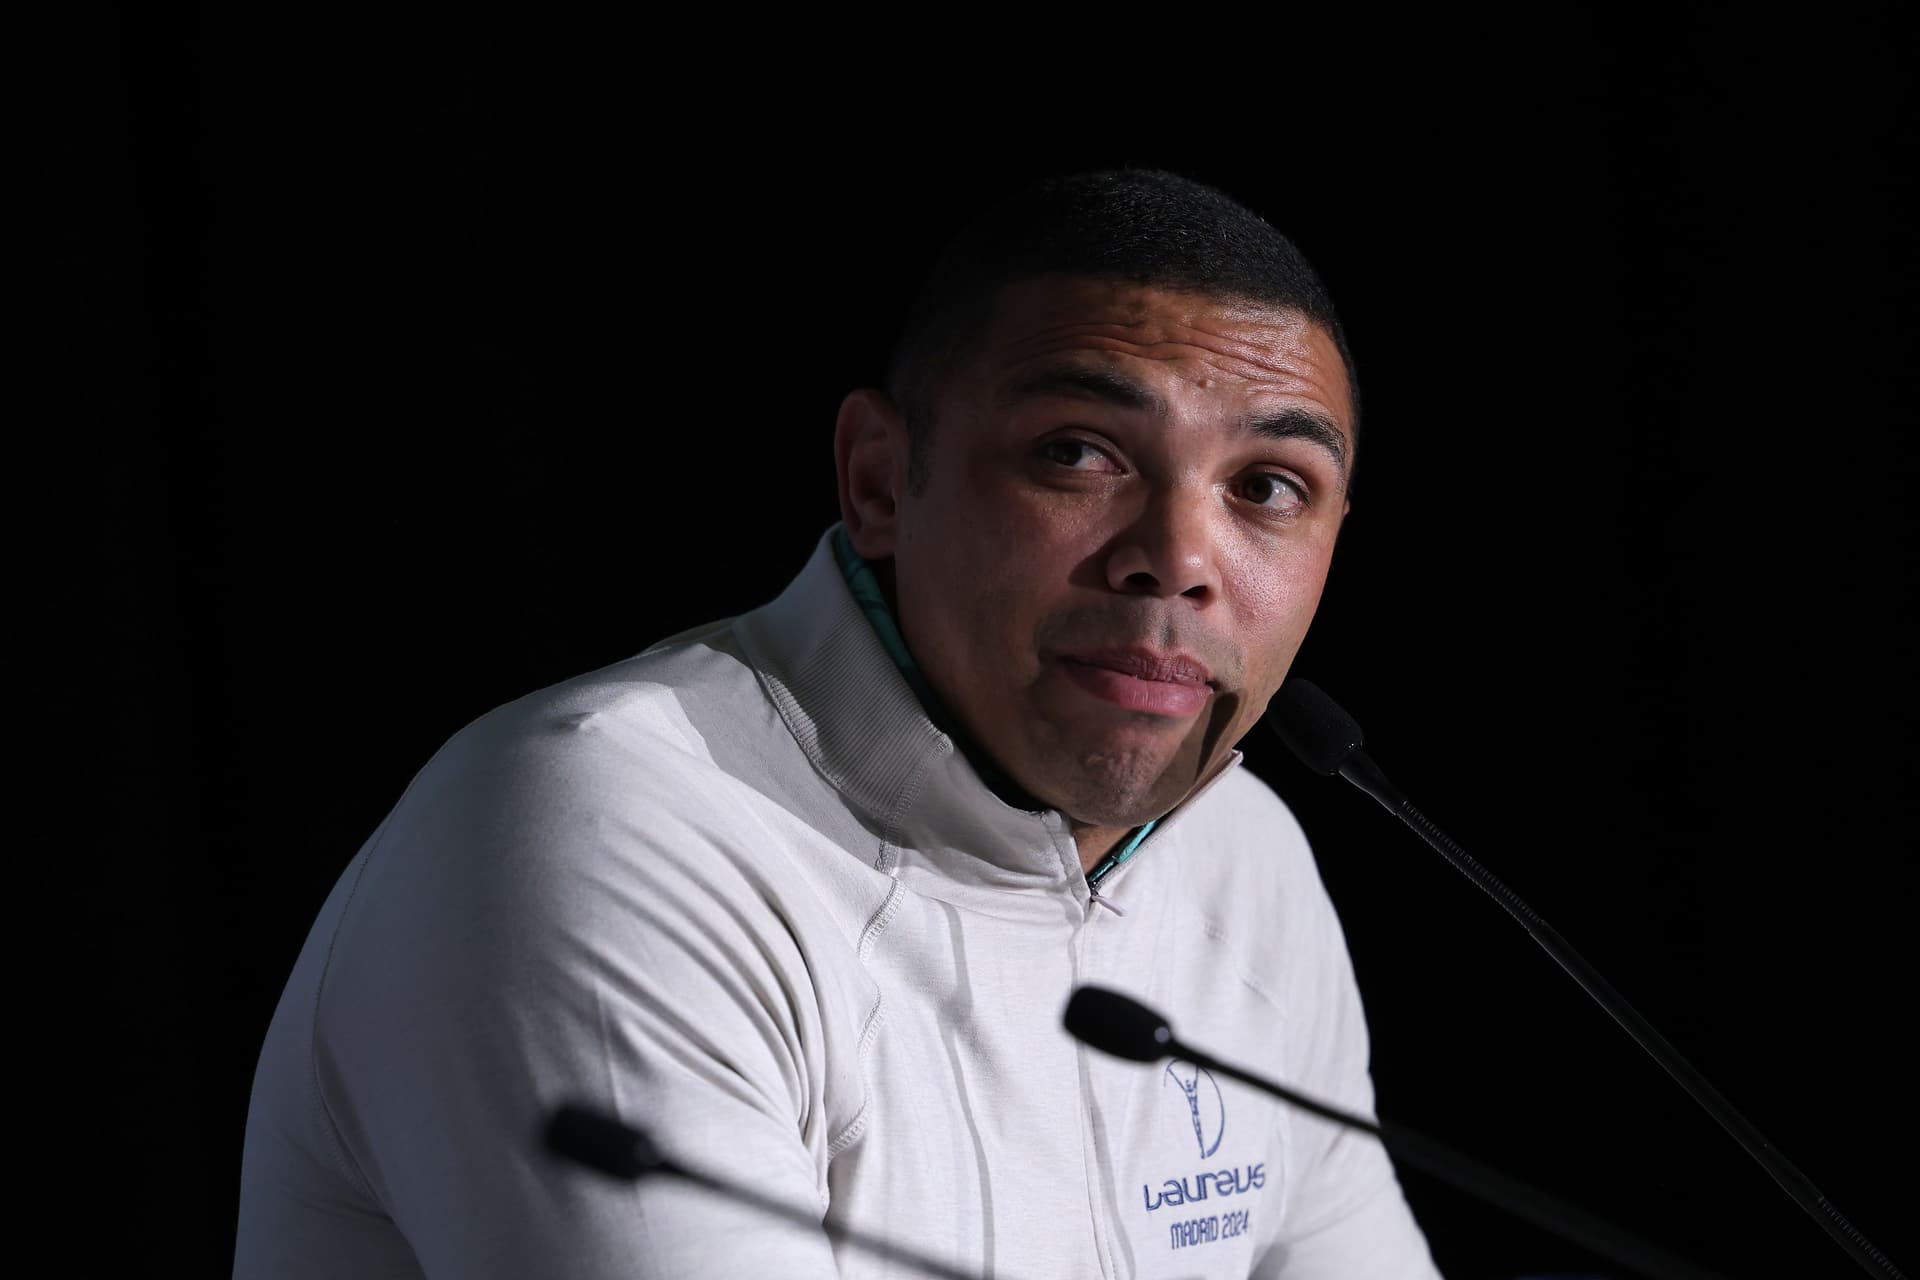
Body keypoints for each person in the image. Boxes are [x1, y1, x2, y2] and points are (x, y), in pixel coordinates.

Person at [234, 168, 1442, 1278]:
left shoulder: (1246, 856)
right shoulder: (606, 828)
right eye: (1079, 453)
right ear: (877, 480)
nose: (1177, 560)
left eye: (1269, 487)